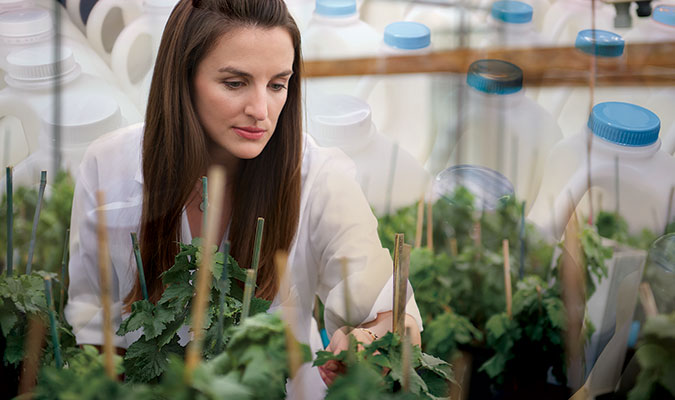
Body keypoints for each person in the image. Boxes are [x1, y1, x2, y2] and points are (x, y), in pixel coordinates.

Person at [64, 0, 422, 397]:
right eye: (235, 83)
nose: (261, 111)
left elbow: (397, 319)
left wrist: (369, 340)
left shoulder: (321, 179)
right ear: (182, 78)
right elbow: (93, 325)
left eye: (277, 84)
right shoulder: (107, 166)